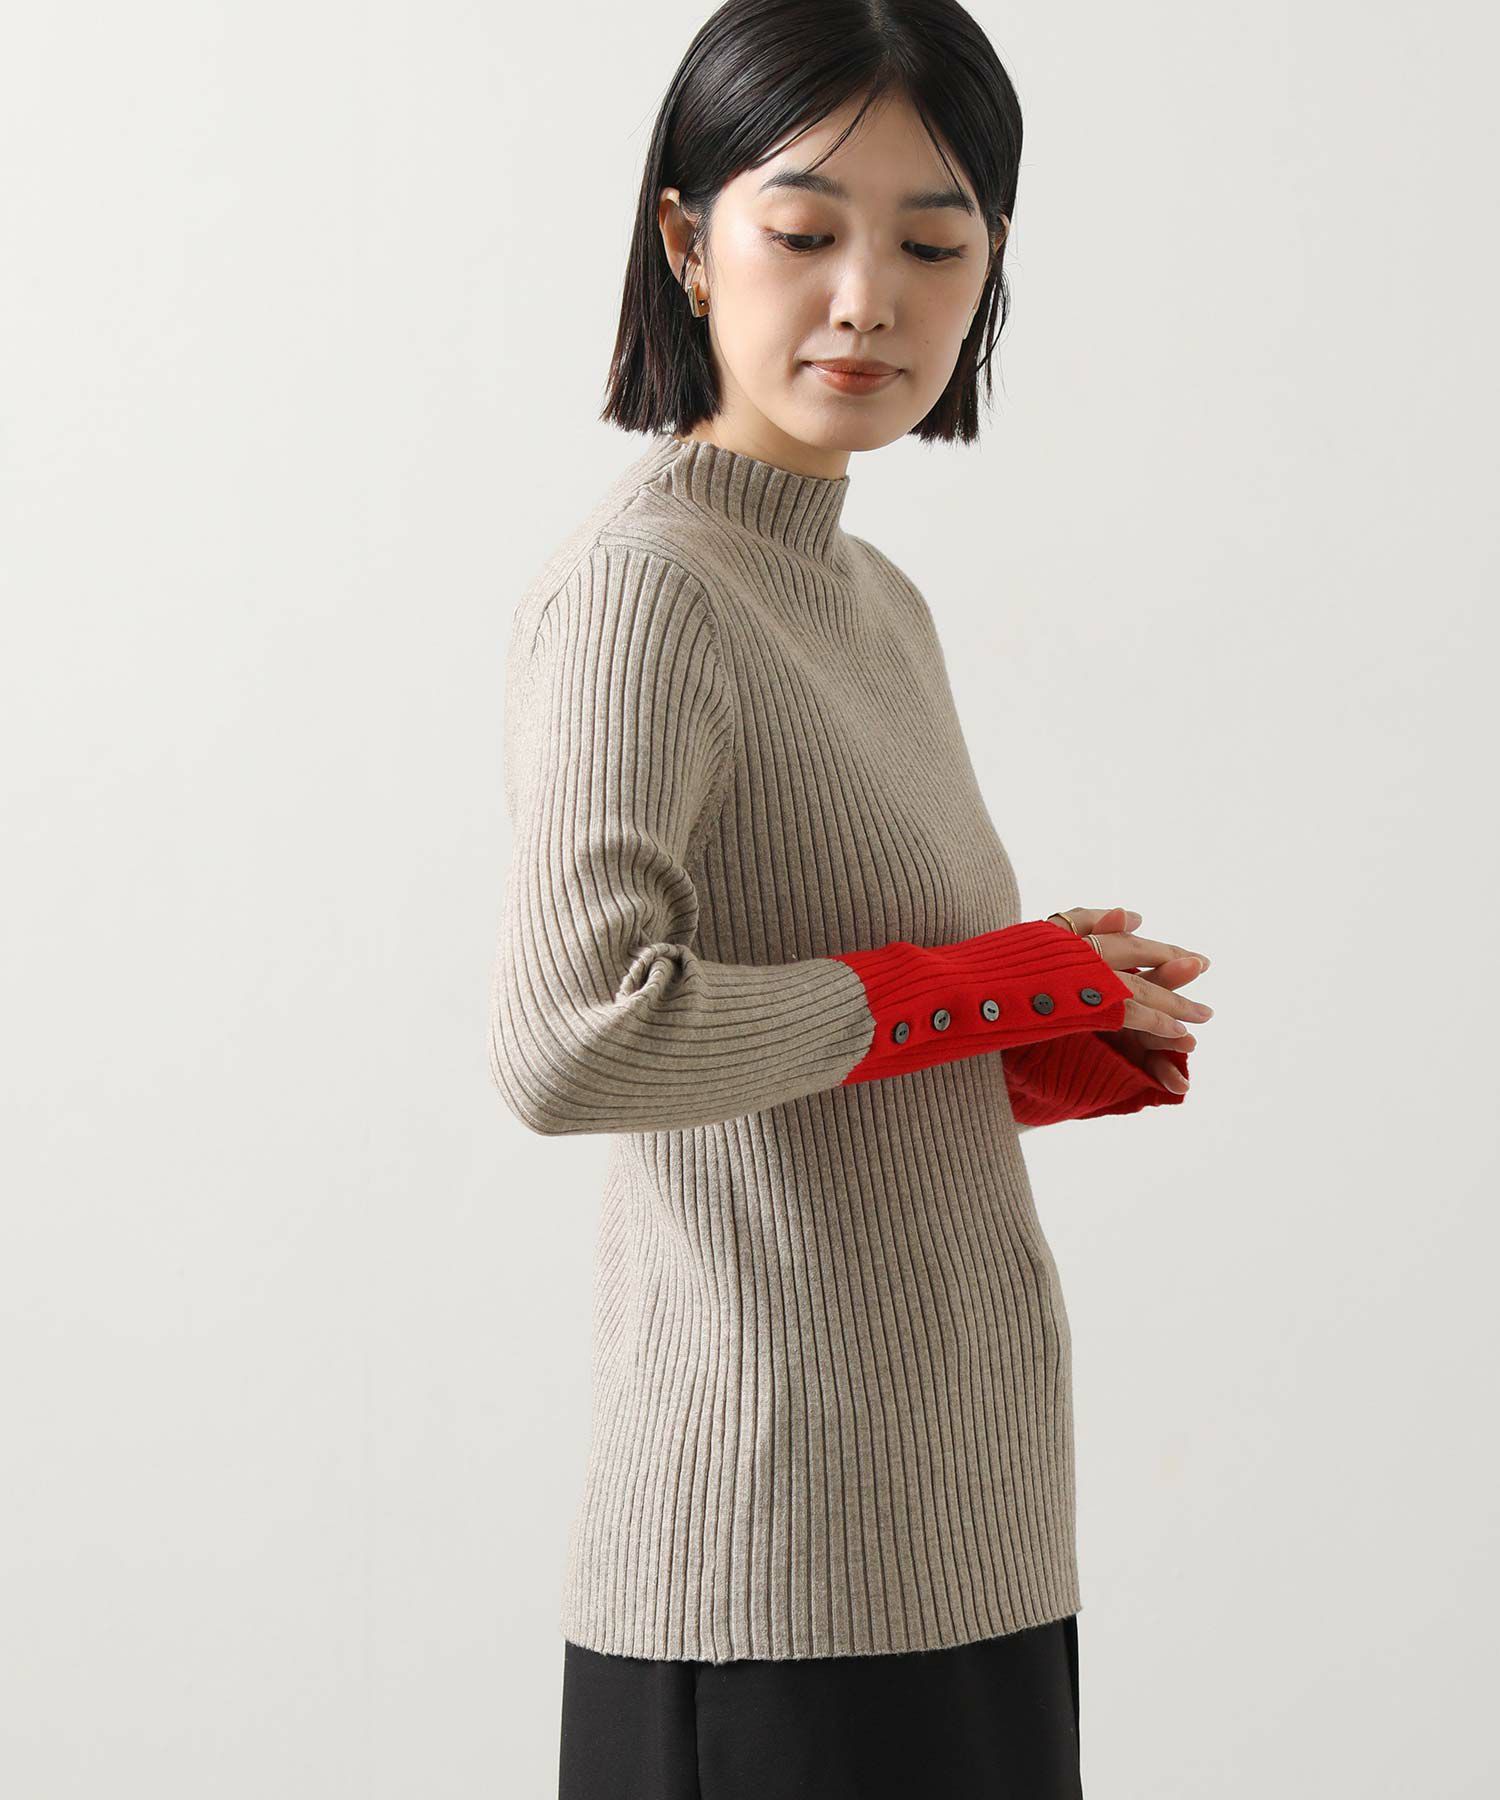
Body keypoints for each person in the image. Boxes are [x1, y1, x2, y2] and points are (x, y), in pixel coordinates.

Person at [488, 3, 1212, 1793]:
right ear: (686, 242)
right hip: (774, 1566)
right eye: (805, 231)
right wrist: (968, 987)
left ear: (991, 267)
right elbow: (573, 1045)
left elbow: (821, 1054)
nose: (869, 299)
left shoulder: (876, 600)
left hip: (969, 1526)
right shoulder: (648, 588)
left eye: (934, 246)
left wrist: (1048, 1016)